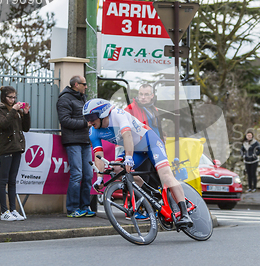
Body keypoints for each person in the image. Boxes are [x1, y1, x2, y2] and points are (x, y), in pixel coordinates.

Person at [83, 98, 193, 227]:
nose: (89, 122)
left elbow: (127, 135)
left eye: (91, 117)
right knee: (118, 169)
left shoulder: (118, 115)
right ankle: (150, 194)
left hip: (150, 143)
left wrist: (128, 158)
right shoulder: (93, 132)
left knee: (165, 175)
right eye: (86, 118)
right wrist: (99, 178)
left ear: (103, 113)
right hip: (135, 149)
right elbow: (98, 155)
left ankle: (185, 214)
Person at [0, 86, 30, 221]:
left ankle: (13, 210)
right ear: (4, 97)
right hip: (6, 147)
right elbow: (3, 125)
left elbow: (26, 128)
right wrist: (14, 111)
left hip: (17, 146)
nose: (12, 100)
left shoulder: (15, 111)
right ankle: (4, 212)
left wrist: (26, 113)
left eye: (14, 97)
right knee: (3, 180)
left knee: (12, 181)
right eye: (10, 97)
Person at [56, 76, 95, 218]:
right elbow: (65, 121)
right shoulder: (65, 99)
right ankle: (72, 209)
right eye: (84, 84)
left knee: (88, 175)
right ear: (76, 84)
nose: (86, 87)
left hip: (84, 141)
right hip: (72, 141)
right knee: (77, 174)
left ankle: (85, 206)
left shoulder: (82, 98)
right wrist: (85, 124)